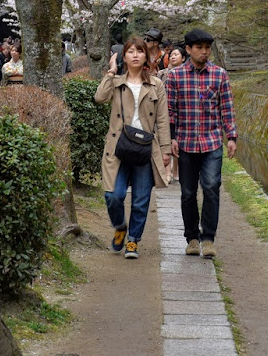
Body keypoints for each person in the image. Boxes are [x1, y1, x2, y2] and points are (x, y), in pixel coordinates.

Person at [95, 37, 171, 259]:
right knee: (113, 195)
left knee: (141, 199)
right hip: (118, 146)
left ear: (146, 57)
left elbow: (163, 119)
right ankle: (120, 226)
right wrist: (110, 72)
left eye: (140, 51)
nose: (136, 55)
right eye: (131, 52)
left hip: (145, 147)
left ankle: (133, 240)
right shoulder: (117, 82)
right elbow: (99, 98)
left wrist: (165, 150)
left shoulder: (156, 84)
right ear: (124, 56)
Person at [167, 29, 237, 258]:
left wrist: (232, 137)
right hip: (186, 143)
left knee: (211, 187)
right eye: (199, 48)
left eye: (207, 48)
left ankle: (208, 238)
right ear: (188, 50)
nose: (204, 52)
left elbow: (227, 108)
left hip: (212, 142)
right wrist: (172, 137)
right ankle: (192, 238)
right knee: (187, 192)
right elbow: (170, 110)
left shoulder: (219, 75)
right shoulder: (176, 76)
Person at [158, 45, 188, 182]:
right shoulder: (162, 74)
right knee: (165, 140)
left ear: (183, 58)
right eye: (171, 55)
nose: (173, 57)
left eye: (176, 54)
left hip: (181, 112)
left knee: (178, 142)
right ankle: (167, 171)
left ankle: (176, 170)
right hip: (164, 111)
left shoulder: (186, 74)